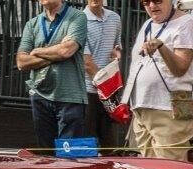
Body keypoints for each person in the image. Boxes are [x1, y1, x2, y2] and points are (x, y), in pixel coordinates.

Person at [121, 0, 193, 161]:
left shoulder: (186, 22)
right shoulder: (148, 24)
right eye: (145, 2)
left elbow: (180, 68)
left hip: (168, 107)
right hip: (142, 106)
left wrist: (161, 47)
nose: (151, 6)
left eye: (157, 1)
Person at [16, 0, 88, 153]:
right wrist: (55, 52)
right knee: (46, 156)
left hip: (70, 96)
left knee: (71, 157)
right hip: (40, 95)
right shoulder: (32, 24)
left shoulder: (77, 17)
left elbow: (66, 51)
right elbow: (21, 62)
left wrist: (36, 51)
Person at [82, 0, 123, 148]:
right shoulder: (80, 20)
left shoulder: (115, 18)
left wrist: (116, 53)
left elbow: (117, 46)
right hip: (88, 90)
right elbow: (86, 62)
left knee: (110, 144)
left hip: (108, 91)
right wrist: (106, 87)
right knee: (88, 144)